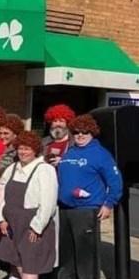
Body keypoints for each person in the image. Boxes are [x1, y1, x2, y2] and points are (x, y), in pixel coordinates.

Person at [56, 114, 123, 279]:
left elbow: (115, 181)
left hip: (86, 210)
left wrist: (108, 204)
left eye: (84, 132)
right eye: (76, 132)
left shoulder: (100, 154)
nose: (80, 135)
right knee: (67, 256)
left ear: (92, 132)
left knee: (86, 257)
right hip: (65, 210)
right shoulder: (69, 152)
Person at [0, 131, 58, 279]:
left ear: (35, 150)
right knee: (15, 263)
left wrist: (37, 226)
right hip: (12, 224)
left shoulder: (44, 169)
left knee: (30, 267)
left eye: (27, 149)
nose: (23, 152)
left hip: (32, 224)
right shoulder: (12, 168)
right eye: (21, 148)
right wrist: (0, 218)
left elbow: (49, 202)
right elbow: (1, 195)